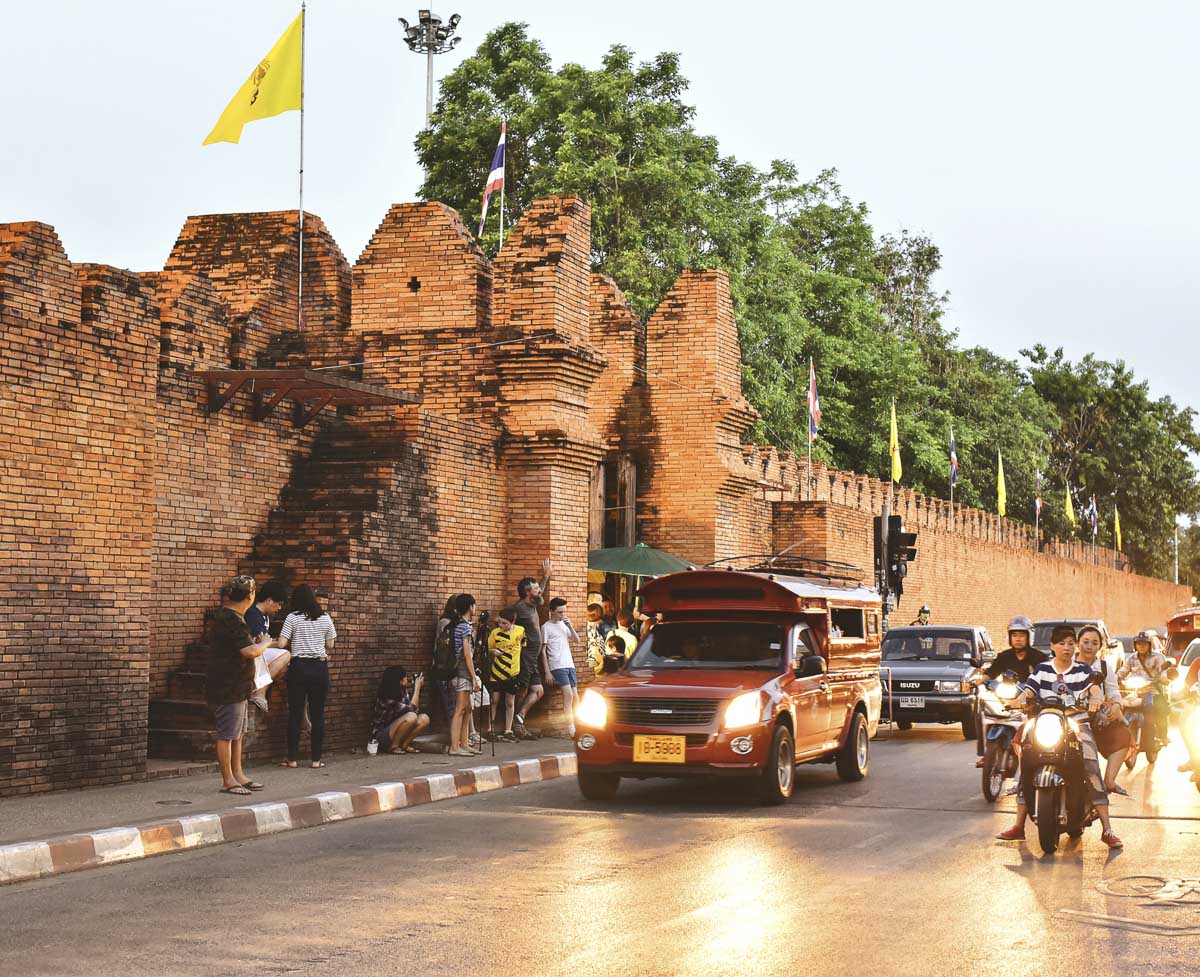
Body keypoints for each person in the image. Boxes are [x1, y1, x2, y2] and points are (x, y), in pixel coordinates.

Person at [995, 625, 1122, 849]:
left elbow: (1094, 689)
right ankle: (1018, 825)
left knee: (1091, 766)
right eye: (1061, 643)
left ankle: (1107, 829)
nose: (1067, 648)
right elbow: (1029, 691)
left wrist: (1095, 699)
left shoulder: (1083, 670)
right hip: (1046, 722)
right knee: (1026, 763)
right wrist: (1018, 701)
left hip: (1076, 723)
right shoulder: (1043, 669)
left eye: (1071, 644)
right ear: (1052, 646)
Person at [206, 575, 272, 795]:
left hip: (238, 685)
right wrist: (265, 643)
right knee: (227, 734)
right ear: (250, 595)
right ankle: (228, 780)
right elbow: (249, 651)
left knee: (237, 733)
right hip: (228, 686)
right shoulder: (232, 619)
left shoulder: (231, 617)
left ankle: (238, 774)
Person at [971, 615, 1048, 767]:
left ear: (1029, 636)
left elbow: (1046, 676)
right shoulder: (1004, 656)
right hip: (1008, 698)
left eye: (1021, 635)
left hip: (1030, 701)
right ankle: (986, 753)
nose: (1017, 639)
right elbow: (992, 672)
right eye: (1014, 635)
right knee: (982, 713)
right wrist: (979, 680)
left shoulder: (1039, 657)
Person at [276, 584, 337, 769]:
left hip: (299, 667)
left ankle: (292, 759)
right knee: (318, 714)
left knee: (295, 713)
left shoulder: (292, 617)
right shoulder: (325, 617)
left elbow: (281, 643)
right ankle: (316, 760)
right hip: (319, 667)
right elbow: (331, 644)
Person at [1076, 624, 1130, 795]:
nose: (1089, 646)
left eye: (1094, 643)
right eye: (1085, 642)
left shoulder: (1105, 668)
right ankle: (1022, 785)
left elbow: (1113, 691)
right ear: (1077, 643)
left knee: (1123, 735)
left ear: (1100, 646)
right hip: (1069, 717)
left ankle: (1109, 781)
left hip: (1096, 718)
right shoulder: (1067, 664)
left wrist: (1116, 705)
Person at [512, 561, 552, 739]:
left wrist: (546, 577)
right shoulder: (520, 608)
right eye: (536, 589)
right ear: (528, 592)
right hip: (524, 656)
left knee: (538, 691)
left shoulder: (533, 603)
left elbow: (540, 591)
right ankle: (513, 725)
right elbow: (506, 622)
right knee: (522, 690)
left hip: (533, 658)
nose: (540, 591)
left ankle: (519, 718)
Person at [1119, 629, 1171, 750]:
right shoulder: (1131, 659)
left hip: (1152, 690)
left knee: (1159, 710)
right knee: (1120, 707)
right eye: (1138, 644)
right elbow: (1122, 671)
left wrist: (1163, 678)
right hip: (1135, 691)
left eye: (1144, 644)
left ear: (1149, 645)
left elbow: (1163, 672)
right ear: (1135, 645)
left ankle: (1162, 736)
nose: (1141, 646)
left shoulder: (1157, 657)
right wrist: (1115, 678)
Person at [245, 581, 290, 713]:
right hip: (251, 655)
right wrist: (281, 643)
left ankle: (258, 688)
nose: (279, 608)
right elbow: (260, 641)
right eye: (279, 604)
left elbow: (266, 641)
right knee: (286, 654)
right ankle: (259, 692)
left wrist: (276, 642)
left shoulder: (264, 616)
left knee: (286, 665)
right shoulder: (253, 614)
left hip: (259, 655)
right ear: (269, 600)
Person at [542, 597, 581, 738]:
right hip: (557, 665)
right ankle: (571, 728)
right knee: (568, 695)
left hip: (569, 663)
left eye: (564, 612)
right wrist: (547, 671)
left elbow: (577, 640)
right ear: (551, 611)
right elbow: (543, 651)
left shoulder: (564, 624)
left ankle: (579, 724)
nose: (562, 615)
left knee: (576, 697)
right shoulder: (546, 627)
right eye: (559, 612)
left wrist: (570, 626)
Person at [449, 593, 482, 756]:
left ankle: (464, 743)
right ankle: (454, 747)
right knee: (460, 709)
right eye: (474, 605)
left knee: (468, 708)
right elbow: (467, 654)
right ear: (470, 607)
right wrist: (474, 677)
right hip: (462, 671)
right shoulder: (465, 627)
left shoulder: (459, 624)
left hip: (460, 671)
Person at [488, 606, 527, 742]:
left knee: (510, 702)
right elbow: (489, 648)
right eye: (500, 622)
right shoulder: (495, 633)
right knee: (494, 700)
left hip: (513, 672)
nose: (501, 625)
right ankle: (490, 729)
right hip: (497, 671)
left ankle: (508, 730)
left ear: (513, 622)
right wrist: (493, 652)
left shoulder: (520, 631)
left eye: (504, 623)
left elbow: (523, 645)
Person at [371, 666, 430, 754]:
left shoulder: (402, 690)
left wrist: (417, 688)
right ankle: (394, 746)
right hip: (383, 735)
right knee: (411, 717)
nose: (407, 678)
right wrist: (417, 688)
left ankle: (405, 745)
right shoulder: (387, 696)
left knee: (424, 719)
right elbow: (412, 710)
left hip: (397, 729)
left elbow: (414, 709)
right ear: (400, 680)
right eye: (405, 676)